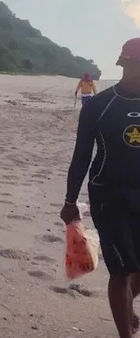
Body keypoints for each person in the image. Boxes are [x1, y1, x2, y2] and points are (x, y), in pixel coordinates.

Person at [61, 38, 140, 338]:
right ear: (122, 64)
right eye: (133, 64)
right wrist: (70, 201)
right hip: (109, 196)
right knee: (120, 270)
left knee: (137, 269)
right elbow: (81, 156)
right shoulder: (99, 106)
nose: (138, 71)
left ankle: (126, 304)